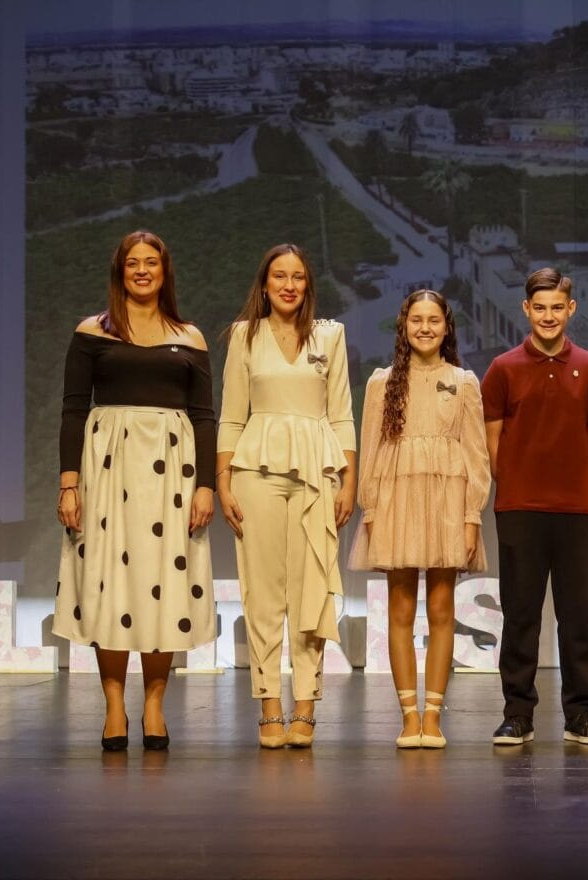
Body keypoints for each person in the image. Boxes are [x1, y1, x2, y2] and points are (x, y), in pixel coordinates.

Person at [54, 230, 216, 752]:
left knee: (164, 584)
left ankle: (153, 707)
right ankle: (113, 707)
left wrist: (207, 486)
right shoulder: (92, 332)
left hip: (173, 473)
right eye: (132, 263)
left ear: (165, 272)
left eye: (151, 263)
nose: (142, 270)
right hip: (108, 471)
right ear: (119, 271)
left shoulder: (190, 337)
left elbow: (204, 417)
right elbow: (73, 409)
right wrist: (69, 483)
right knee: (109, 585)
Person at [216, 244, 356, 749]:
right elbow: (231, 414)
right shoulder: (243, 337)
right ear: (265, 282)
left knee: (311, 588)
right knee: (263, 592)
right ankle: (269, 705)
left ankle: (306, 707)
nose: (289, 285)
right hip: (255, 469)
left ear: (308, 284)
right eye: (280, 275)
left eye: (298, 276)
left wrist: (350, 483)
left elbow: (342, 413)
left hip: (319, 472)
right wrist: (224, 479)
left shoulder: (330, 335)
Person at [480, 268, 588, 746]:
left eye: (557, 307)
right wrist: (517, 483)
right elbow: (491, 438)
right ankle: (517, 714)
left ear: (571, 309)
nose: (548, 316)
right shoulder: (502, 368)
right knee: (520, 613)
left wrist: (579, 480)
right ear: (526, 309)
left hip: (580, 511)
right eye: (539, 307)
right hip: (520, 508)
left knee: (578, 615)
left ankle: (580, 714)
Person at [349, 290, 490, 749]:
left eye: (433, 320)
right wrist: (370, 506)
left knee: (443, 609)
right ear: (403, 325)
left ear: (447, 326)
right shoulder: (380, 383)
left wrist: (472, 516)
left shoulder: (464, 381)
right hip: (397, 500)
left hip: (448, 502)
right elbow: (370, 449)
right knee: (401, 610)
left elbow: (476, 456)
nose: (425, 327)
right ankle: (409, 717)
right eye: (416, 319)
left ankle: (434, 715)